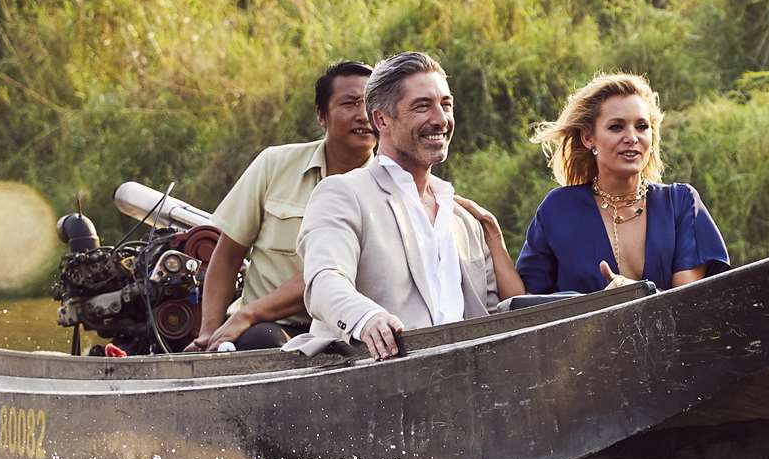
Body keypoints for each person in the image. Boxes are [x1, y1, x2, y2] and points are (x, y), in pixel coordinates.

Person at [300, 50, 526, 359]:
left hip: (463, 380)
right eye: (422, 106)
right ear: (381, 119)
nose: (440, 119)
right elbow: (324, 282)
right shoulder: (343, 193)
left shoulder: (464, 219)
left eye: (446, 104)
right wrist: (367, 319)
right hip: (373, 379)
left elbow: (493, 315)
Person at [191, 60, 372, 351]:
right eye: (349, 104)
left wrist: (248, 313)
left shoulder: (387, 188)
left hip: (345, 328)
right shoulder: (274, 164)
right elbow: (227, 255)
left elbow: (322, 276)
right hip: (266, 328)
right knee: (263, 342)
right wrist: (210, 333)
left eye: (370, 104)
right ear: (322, 116)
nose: (363, 115)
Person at [517, 72, 729, 295]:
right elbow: (523, 301)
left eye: (642, 126)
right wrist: (495, 238)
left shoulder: (681, 203)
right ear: (588, 138)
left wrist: (638, 292)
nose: (632, 137)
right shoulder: (559, 209)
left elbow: (689, 302)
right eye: (616, 127)